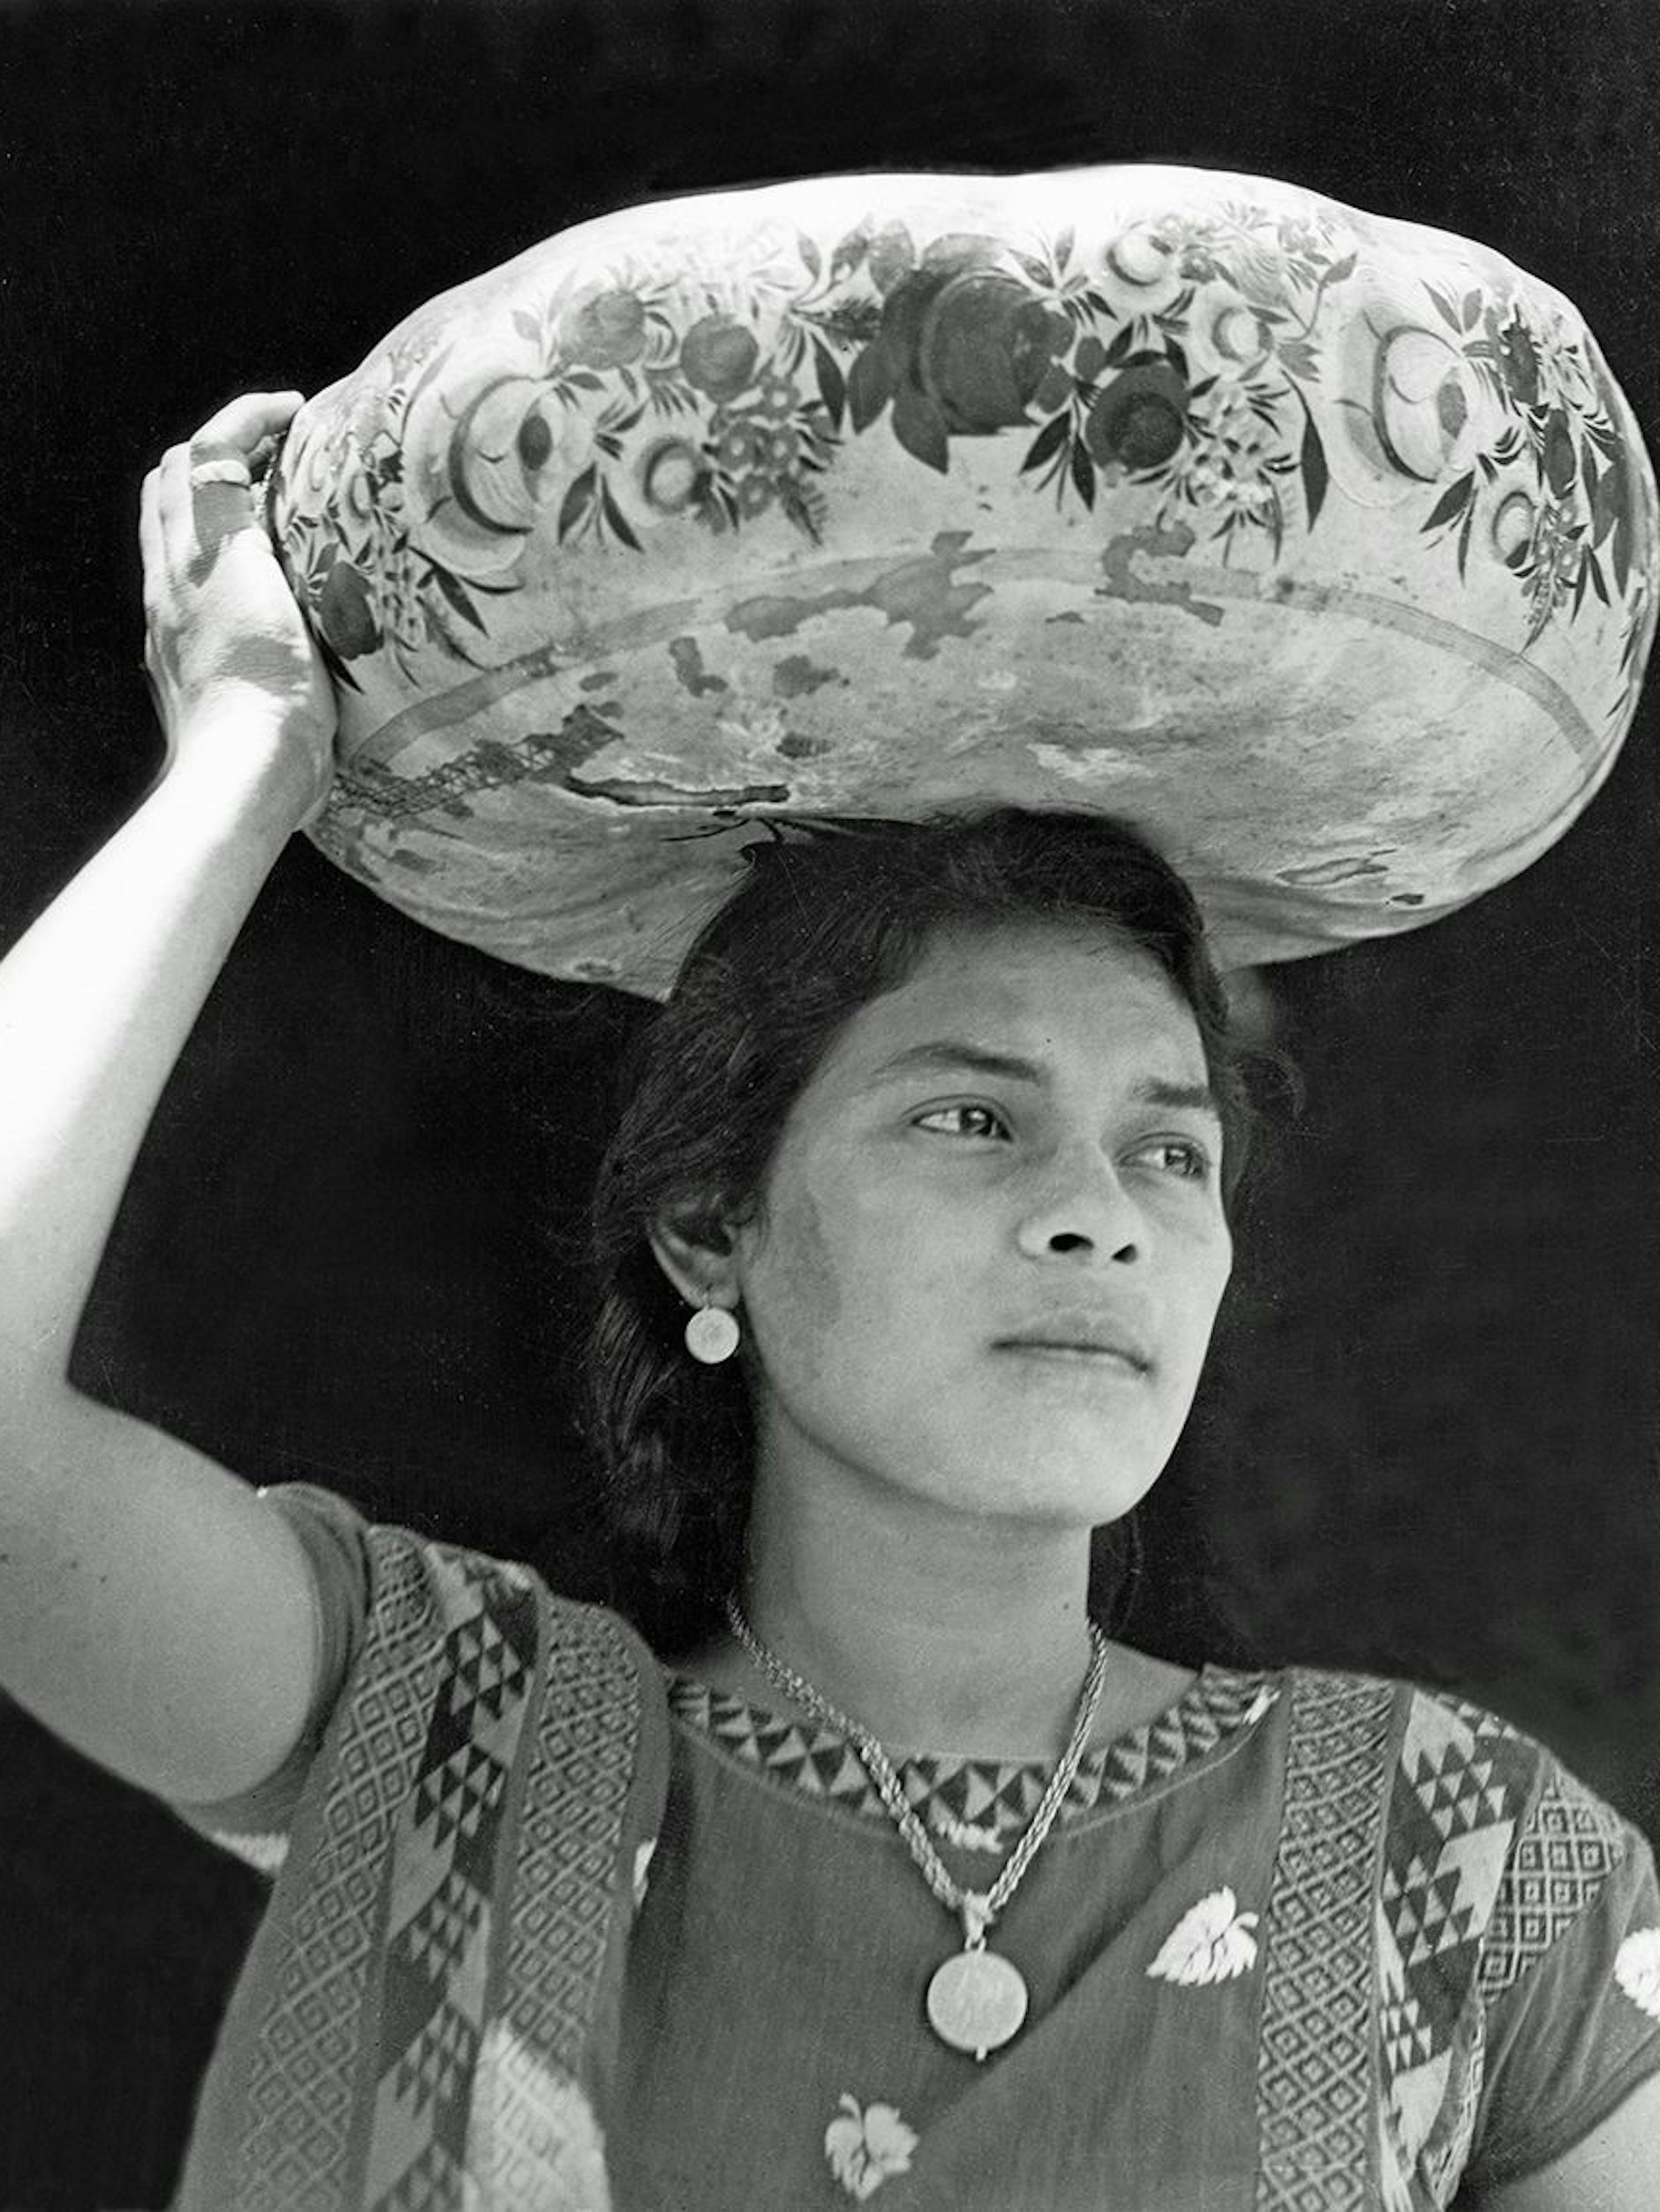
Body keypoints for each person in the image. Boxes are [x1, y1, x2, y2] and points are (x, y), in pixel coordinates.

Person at [2, 389, 1658, 2212]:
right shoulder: (446, 1747)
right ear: (712, 1228)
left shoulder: (1463, 1866)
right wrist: (241, 758)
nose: (1095, 1216)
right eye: (972, 1117)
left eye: (1169, 1152)